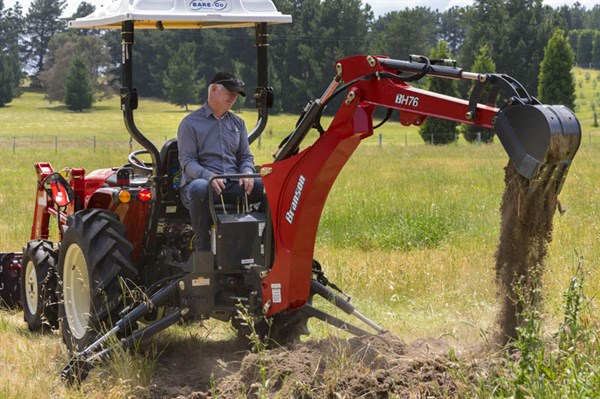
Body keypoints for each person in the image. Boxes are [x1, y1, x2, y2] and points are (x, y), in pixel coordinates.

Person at [178, 72, 263, 251]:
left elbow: (245, 157)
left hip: (232, 183)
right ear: (213, 89)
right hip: (204, 186)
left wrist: (247, 171)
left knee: (265, 186)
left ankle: (263, 245)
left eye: (236, 95)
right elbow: (187, 162)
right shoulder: (190, 123)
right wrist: (210, 176)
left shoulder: (238, 124)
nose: (233, 97)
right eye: (230, 92)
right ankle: (203, 247)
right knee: (199, 187)